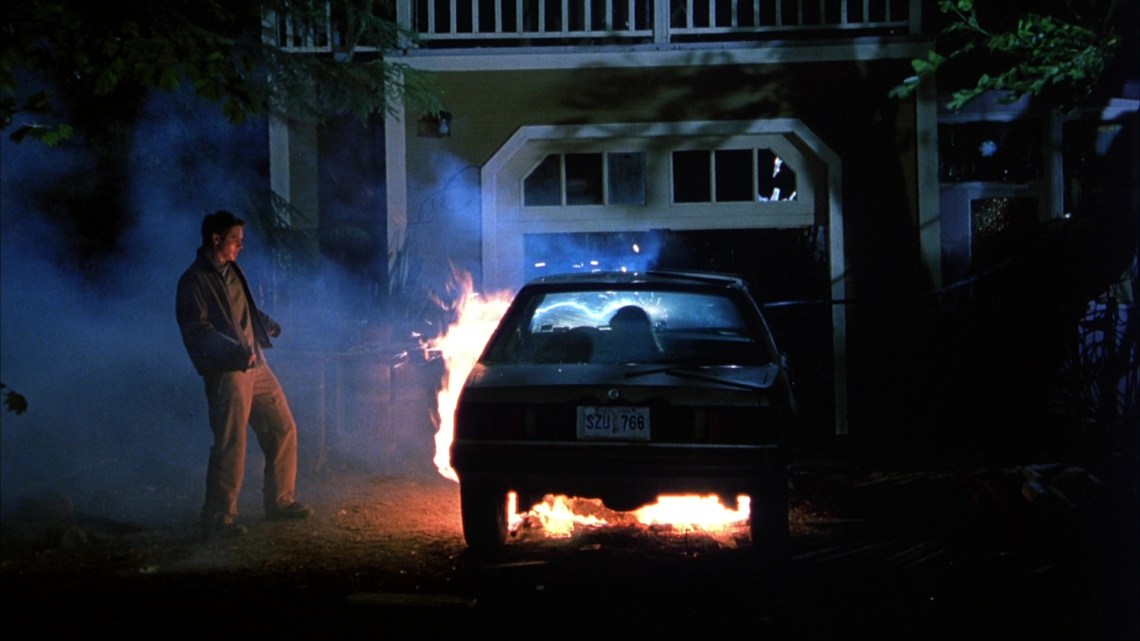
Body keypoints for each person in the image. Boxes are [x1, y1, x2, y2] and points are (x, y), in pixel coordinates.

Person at [176, 210, 312, 540]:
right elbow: (196, 330)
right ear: (216, 238)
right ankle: (219, 517)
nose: (241, 246)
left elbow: (243, 310)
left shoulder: (232, 269)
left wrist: (265, 323)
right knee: (231, 442)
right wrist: (233, 351)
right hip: (228, 372)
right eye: (236, 239)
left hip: (256, 365)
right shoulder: (194, 281)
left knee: (282, 427)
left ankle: (279, 501)